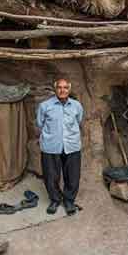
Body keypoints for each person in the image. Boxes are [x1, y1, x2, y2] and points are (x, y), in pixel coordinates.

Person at [36, 78, 84, 215]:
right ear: (55, 89)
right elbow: (40, 124)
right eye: (59, 87)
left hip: (72, 145)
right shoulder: (45, 106)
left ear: (69, 89)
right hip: (51, 146)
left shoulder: (76, 106)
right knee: (51, 176)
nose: (62, 90)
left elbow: (79, 120)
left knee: (73, 176)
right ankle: (55, 200)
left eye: (65, 88)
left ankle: (69, 201)